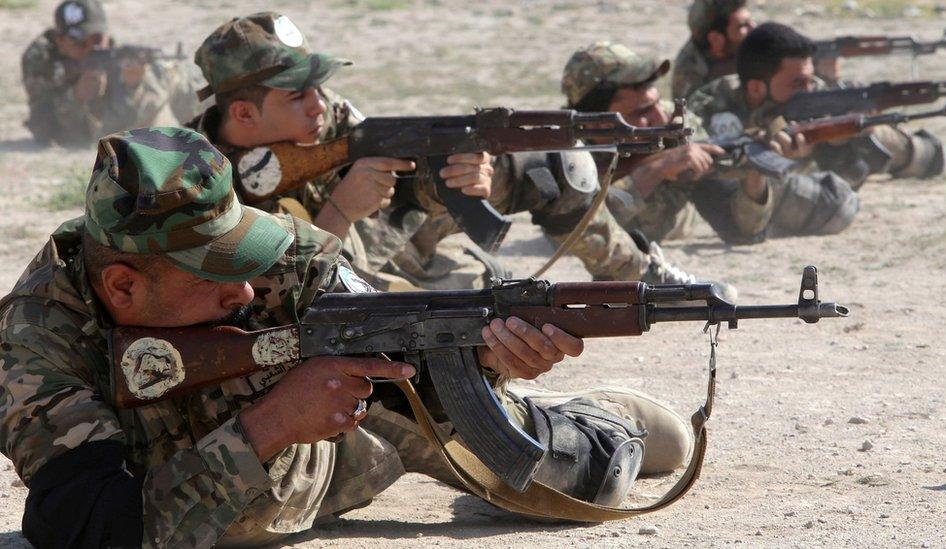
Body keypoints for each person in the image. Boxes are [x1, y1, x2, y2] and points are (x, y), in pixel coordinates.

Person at [0, 127, 693, 547]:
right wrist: (272, 421)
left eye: (242, 256)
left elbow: (405, 343)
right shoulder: (34, 342)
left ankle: (603, 415)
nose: (243, 290)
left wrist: (484, 354)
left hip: (340, 440)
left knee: (580, 476)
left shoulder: (287, 257)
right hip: (262, 445)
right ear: (122, 286)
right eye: (216, 275)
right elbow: (86, 529)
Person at [189, 12, 727, 294]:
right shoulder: (198, 187)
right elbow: (279, 294)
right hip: (325, 284)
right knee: (481, 294)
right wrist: (341, 212)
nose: (319, 103)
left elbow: (397, 179)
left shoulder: (325, 116)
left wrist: (456, 175)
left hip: (382, 235)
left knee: (560, 165)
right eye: (298, 94)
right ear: (243, 116)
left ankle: (636, 271)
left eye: (318, 87)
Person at [690, 23, 946, 197]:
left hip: (843, 158)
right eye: (797, 83)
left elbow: (851, 178)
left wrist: (838, 144)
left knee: (876, 134)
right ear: (756, 88)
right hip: (768, 197)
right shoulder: (712, 104)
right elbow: (707, 173)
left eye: (810, 79)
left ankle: (924, 154)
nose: (809, 89)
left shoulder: (818, 96)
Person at [562, 42, 773, 245]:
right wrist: (655, 170)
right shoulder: (563, 147)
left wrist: (755, 172)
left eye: (656, 102)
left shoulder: (679, 126)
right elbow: (576, 233)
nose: (660, 116)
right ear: (597, 122)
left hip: (681, 221)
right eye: (641, 112)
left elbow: (743, 232)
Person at [20, 0, 204, 146]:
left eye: (98, 38)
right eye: (81, 43)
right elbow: (43, 125)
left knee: (172, 76)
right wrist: (75, 96)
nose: (93, 47)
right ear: (60, 41)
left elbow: (122, 126)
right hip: (68, 128)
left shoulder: (114, 55)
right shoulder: (40, 58)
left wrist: (133, 87)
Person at [671, 0, 755, 100]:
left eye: (750, 21)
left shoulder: (747, 45)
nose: (754, 27)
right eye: (742, 26)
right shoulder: (690, 76)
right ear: (715, 40)